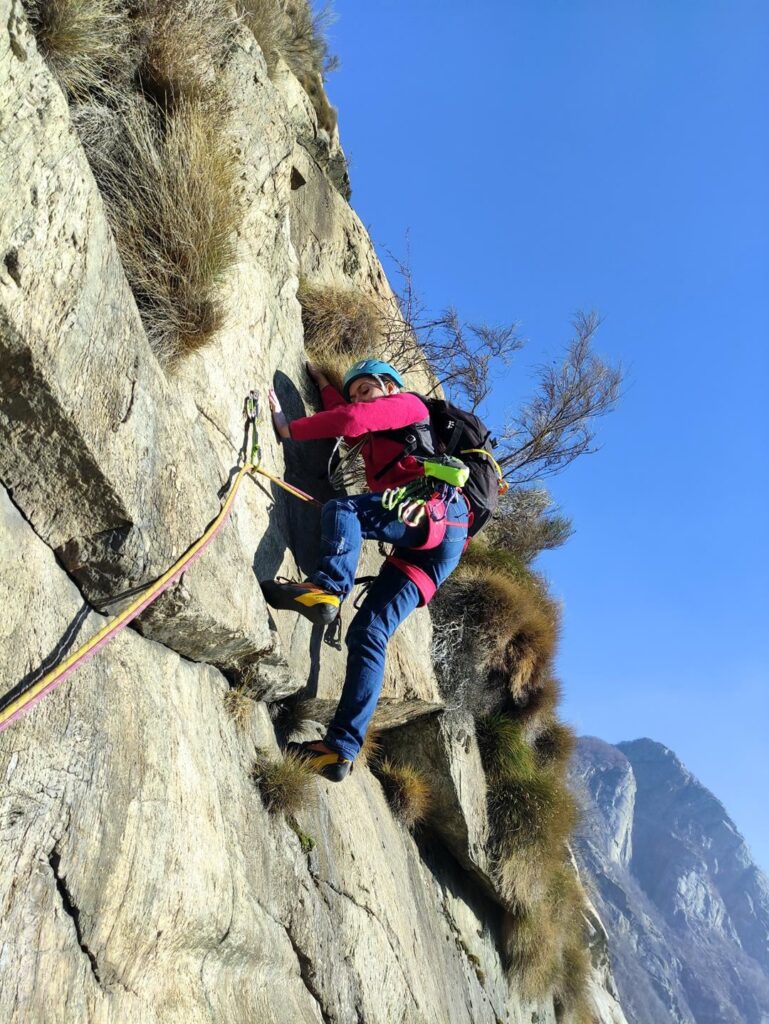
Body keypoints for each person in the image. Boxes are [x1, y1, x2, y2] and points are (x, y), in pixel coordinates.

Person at [263, 358, 469, 781]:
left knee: (344, 510)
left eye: (366, 389)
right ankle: (339, 749)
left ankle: (328, 589)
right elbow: (347, 413)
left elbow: (354, 419)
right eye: (353, 391)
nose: (358, 397)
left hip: (434, 510)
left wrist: (288, 427)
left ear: (389, 388)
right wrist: (324, 383)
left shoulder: (410, 405)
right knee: (369, 632)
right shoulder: (384, 425)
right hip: (433, 548)